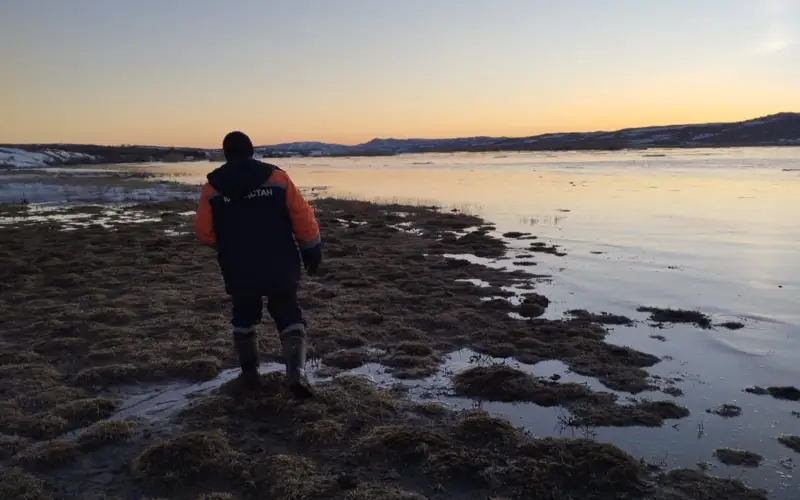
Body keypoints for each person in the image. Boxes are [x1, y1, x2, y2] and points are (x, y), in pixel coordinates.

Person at [193, 131, 322, 399]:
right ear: (251, 150)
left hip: (237, 263)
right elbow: (303, 217)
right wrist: (311, 250)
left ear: (226, 153)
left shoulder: (213, 186)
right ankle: (296, 374)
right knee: (287, 313)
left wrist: (225, 246)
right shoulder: (277, 177)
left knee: (243, 315)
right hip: (279, 259)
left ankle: (249, 375)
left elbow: (203, 231)